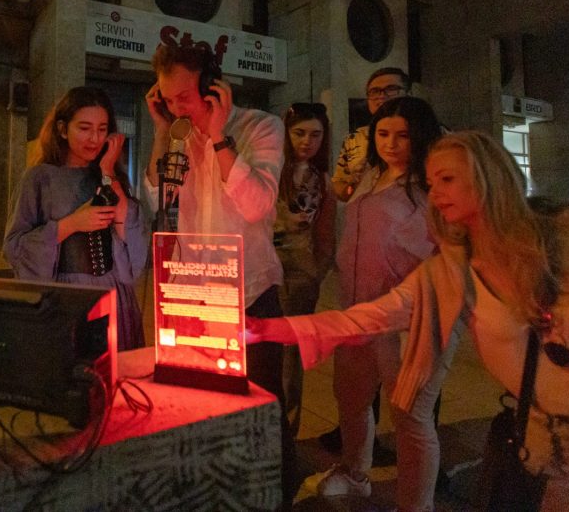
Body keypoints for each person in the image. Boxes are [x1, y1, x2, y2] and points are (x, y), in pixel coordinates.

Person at [248, 130, 569, 512]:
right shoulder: (451, 272)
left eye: (447, 179)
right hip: (553, 453)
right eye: (432, 183)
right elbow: (370, 318)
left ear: (489, 174)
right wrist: (271, 329)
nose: (435, 194)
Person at [143, 42, 293, 502]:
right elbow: (157, 197)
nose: (176, 107)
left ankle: (277, 495)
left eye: (183, 97)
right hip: (195, 294)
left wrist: (219, 137)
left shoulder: (261, 127)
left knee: (263, 406)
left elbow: (258, 205)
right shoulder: (179, 135)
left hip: (249, 291)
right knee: (204, 403)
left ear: (212, 87)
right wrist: (163, 132)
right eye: (167, 98)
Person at [300, 96, 447, 510]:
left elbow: (444, 255)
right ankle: (355, 473)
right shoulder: (370, 175)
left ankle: (416, 504)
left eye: (403, 135)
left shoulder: (433, 189)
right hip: (355, 312)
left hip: (404, 321)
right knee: (350, 398)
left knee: (411, 417)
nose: (391, 144)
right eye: (383, 134)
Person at [4, 86, 146, 351]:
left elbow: (131, 236)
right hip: (65, 296)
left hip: (114, 294)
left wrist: (108, 171)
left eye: (102, 129)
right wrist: (70, 225)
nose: (94, 138)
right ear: (62, 129)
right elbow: (14, 247)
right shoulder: (40, 178)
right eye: (84, 128)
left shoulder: (110, 176)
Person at [274, 102, 335, 438]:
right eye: (299, 133)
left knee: (289, 358)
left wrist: (316, 271)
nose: (307, 141)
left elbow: (326, 235)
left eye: (315, 135)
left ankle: (286, 434)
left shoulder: (322, 180)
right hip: (264, 265)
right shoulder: (271, 168)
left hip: (300, 271)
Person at [331, 67, 410, 202]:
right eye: (374, 91)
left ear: (408, 93)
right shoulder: (355, 138)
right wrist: (352, 185)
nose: (382, 96)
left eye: (391, 89)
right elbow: (339, 183)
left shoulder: (428, 131)